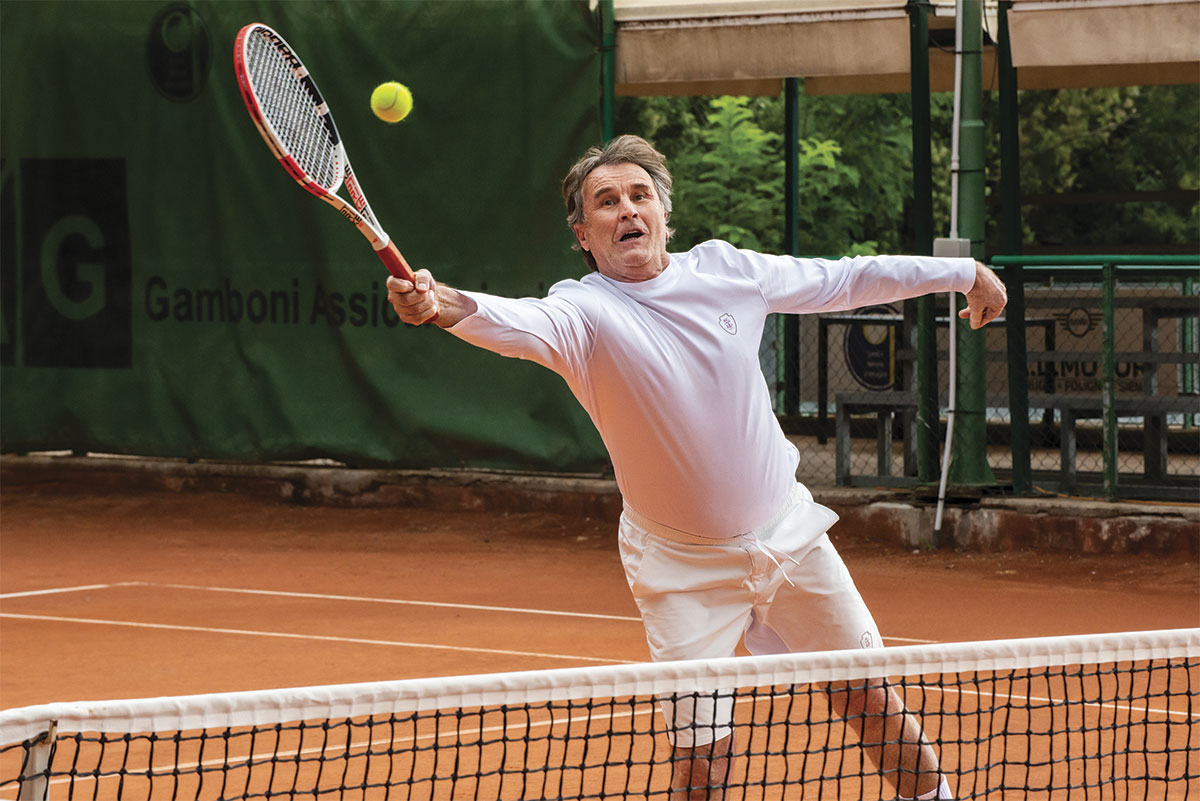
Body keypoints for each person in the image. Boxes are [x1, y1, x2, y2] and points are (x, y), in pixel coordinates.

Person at [387, 134, 1007, 800]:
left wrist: (962, 272)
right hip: (680, 568)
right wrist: (440, 302)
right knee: (702, 760)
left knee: (871, 701)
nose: (626, 209)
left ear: (662, 214)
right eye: (606, 201)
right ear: (584, 235)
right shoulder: (584, 312)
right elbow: (512, 321)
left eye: (639, 195)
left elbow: (845, 277)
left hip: (789, 539)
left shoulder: (727, 271)